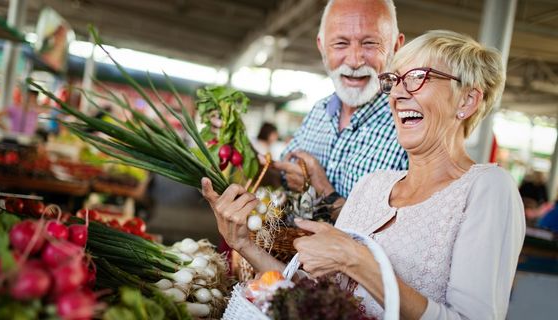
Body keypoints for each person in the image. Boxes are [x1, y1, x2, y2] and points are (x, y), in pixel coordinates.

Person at [202, 30, 525, 319]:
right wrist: (244, 244)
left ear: (467, 100)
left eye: (417, 77)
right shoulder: (372, 186)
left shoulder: (486, 188)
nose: (397, 94)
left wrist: (356, 260)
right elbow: (318, 300)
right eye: (394, 81)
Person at [255, 0, 408, 218]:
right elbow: (282, 178)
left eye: (370, 43)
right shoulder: (319, 110)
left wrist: (320, 188)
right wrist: (249, 161)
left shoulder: (409, 125)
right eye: (340, 44)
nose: (355, 60)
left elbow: (399, 234)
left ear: (395, 46)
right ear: (321, 46)